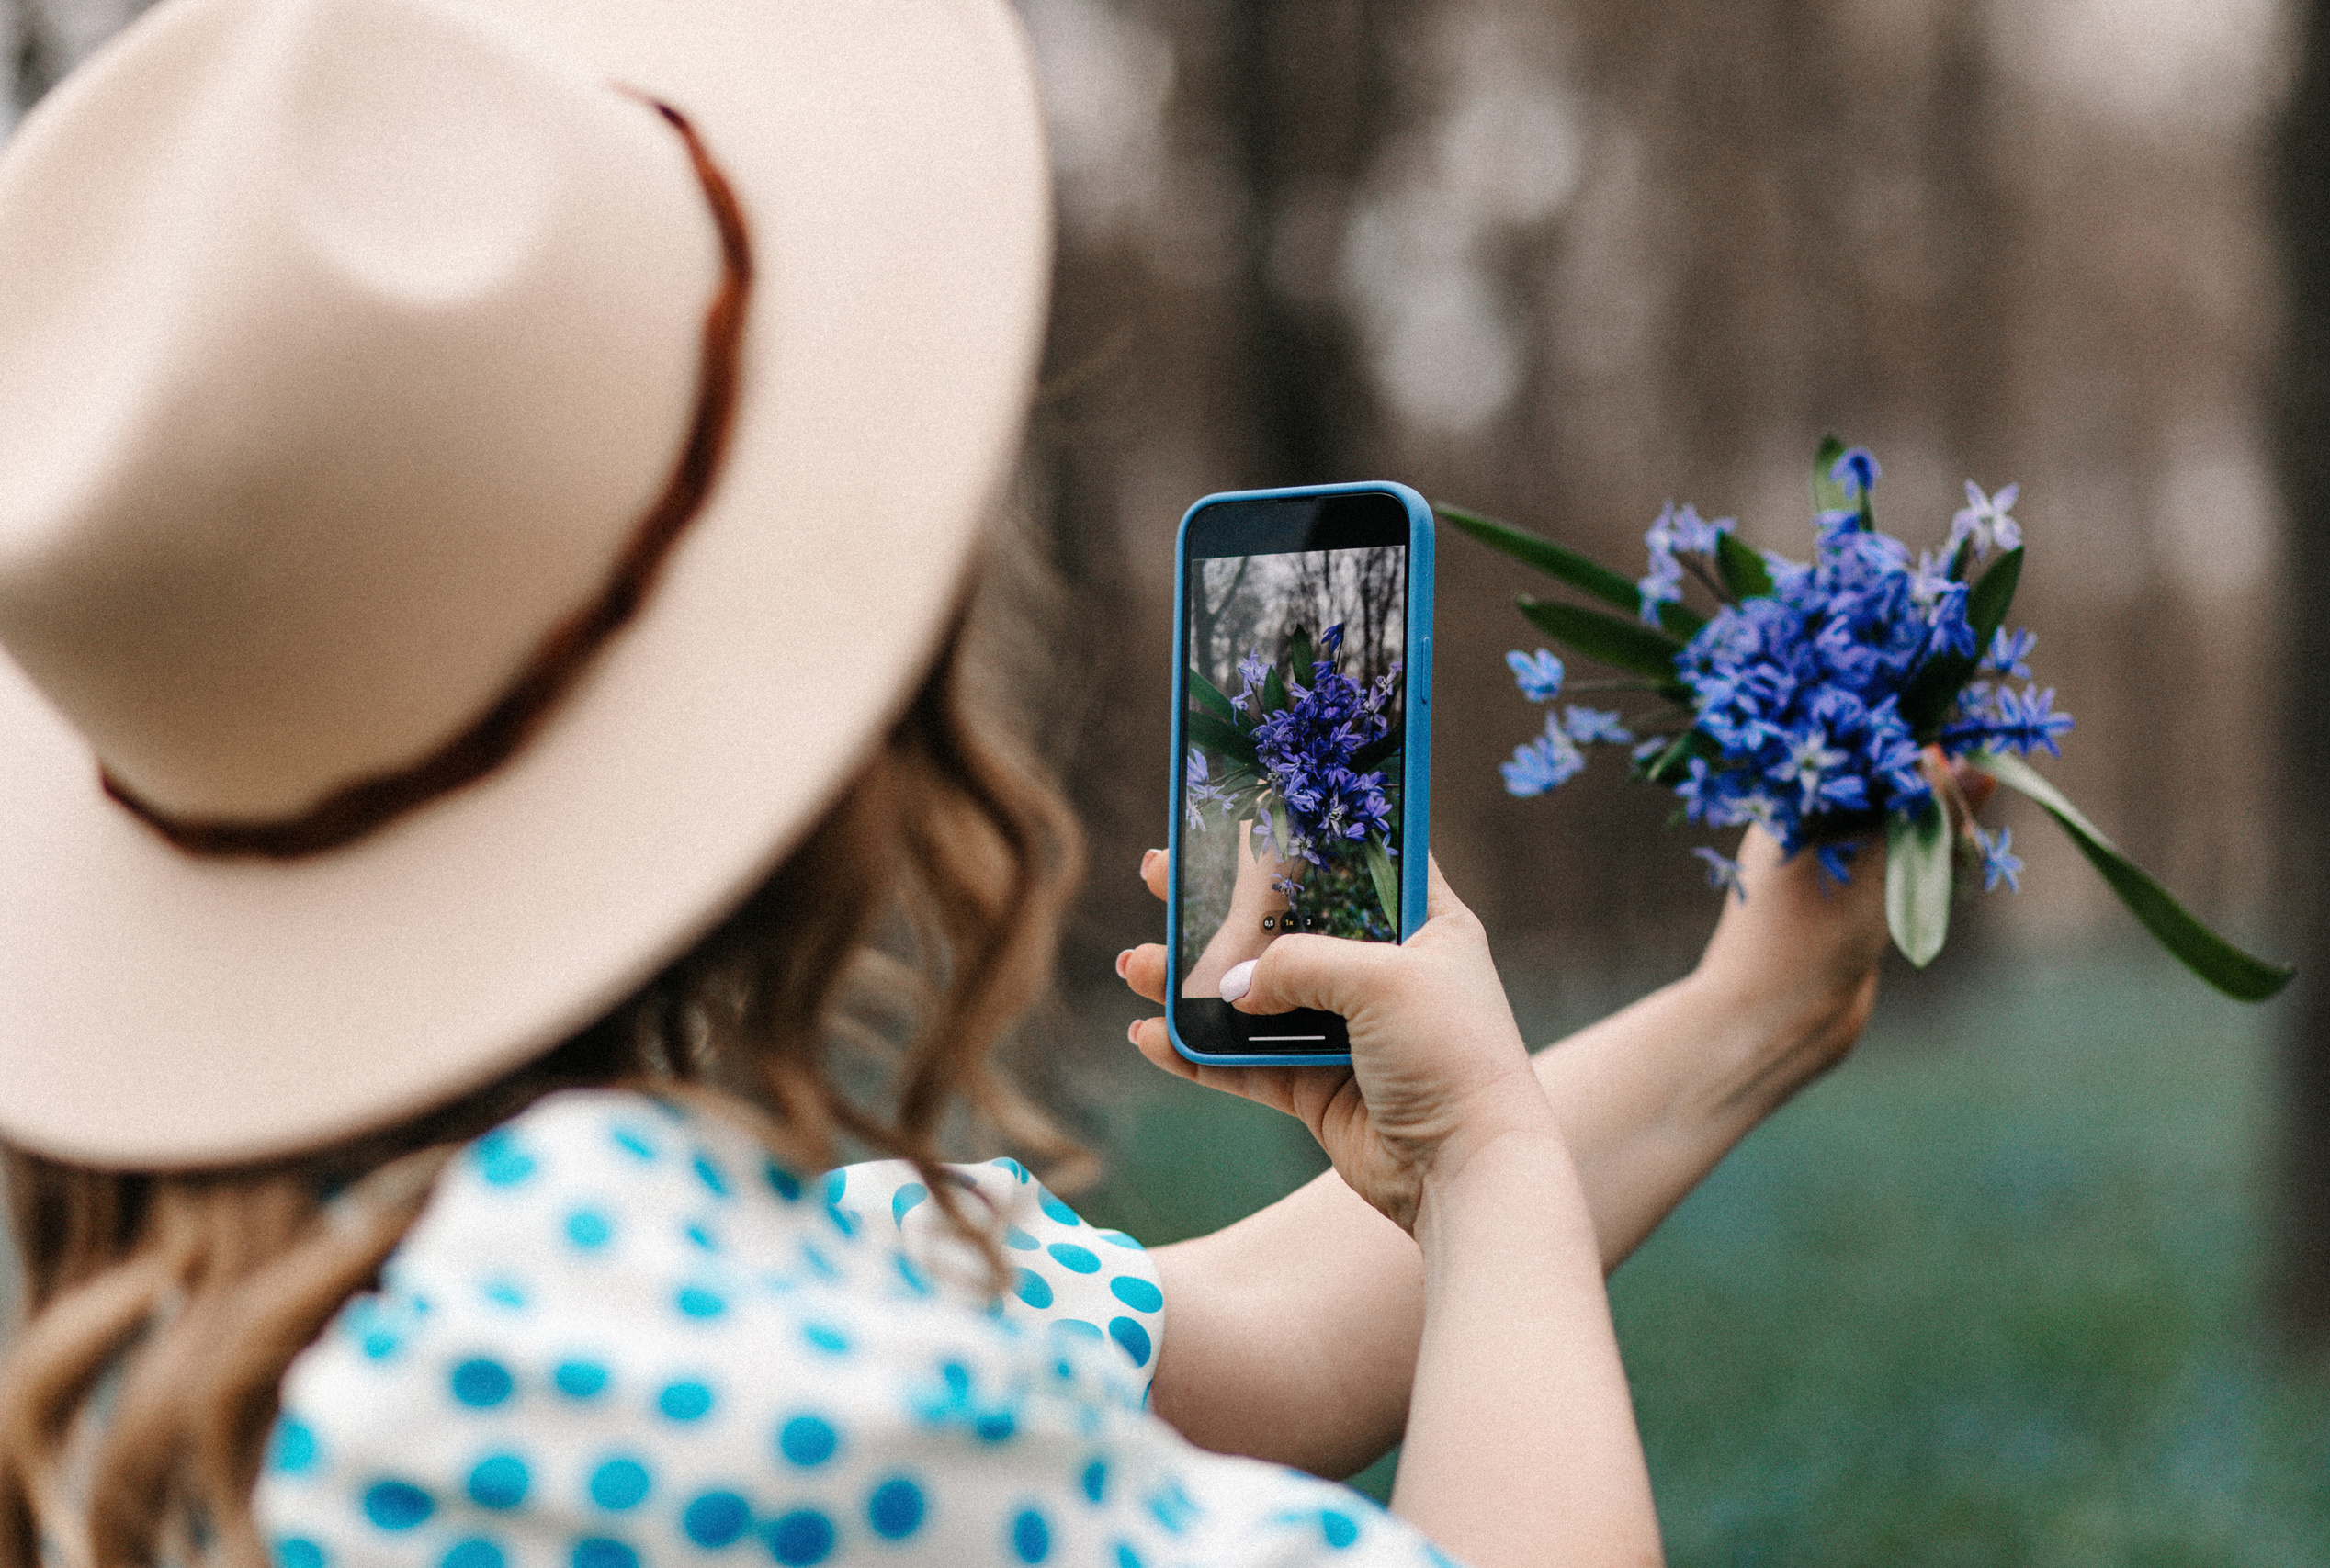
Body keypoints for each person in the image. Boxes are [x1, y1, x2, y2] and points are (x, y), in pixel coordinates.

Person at [0, 0, 1890, 1563]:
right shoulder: (680, 1391)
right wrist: (1481, 1173)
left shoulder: (267, 1320)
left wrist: (1744, 1008)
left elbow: (1269, 1339)